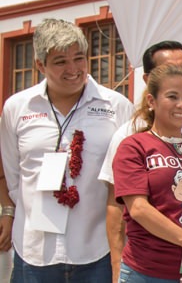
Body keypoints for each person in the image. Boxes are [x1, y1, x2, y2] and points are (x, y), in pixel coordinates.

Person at [0, 18, 134, 282]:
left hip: (98, 251)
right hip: (34, 251)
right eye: (61, 61)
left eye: (79, 58)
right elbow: (12, 173)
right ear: (40, 65)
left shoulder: (117, 107)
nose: (73, 69)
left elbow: (124, 179)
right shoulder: (17, 108)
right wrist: (9, 210)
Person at [99, 40, 182, 282]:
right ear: (152, 101)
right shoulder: (133, 146)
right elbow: (138, 208)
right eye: (172, 96)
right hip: (148, 273)